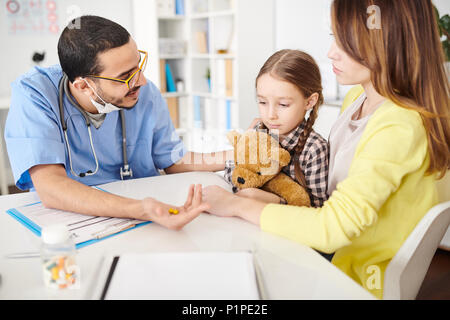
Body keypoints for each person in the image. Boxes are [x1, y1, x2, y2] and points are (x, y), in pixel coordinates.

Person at [203, 0, 450, 299]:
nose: (331, 52)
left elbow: (332, 229)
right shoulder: (358, 98)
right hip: (330, 252)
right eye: (334, 37)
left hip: (351, 272)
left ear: (387, 41)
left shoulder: (399, 125)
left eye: (345, 42)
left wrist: (238, 205)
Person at [4, 15, 232, 230]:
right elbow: (51, 187)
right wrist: (141, 209)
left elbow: (173, 159)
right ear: (83, 86)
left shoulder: (143, 92)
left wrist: (237, 154)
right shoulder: (35, 94)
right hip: (74, 221)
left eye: (138, 66)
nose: (141, 81)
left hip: (148, 219)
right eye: (125, 77)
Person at [224, 49, 329, 208]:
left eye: (283, 104)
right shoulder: (258, 133)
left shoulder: (314, 149)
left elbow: (318, 208)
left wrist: (274, 200)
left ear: (309, 102)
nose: (271, 115)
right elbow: (231, 172)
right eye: (263, 102)